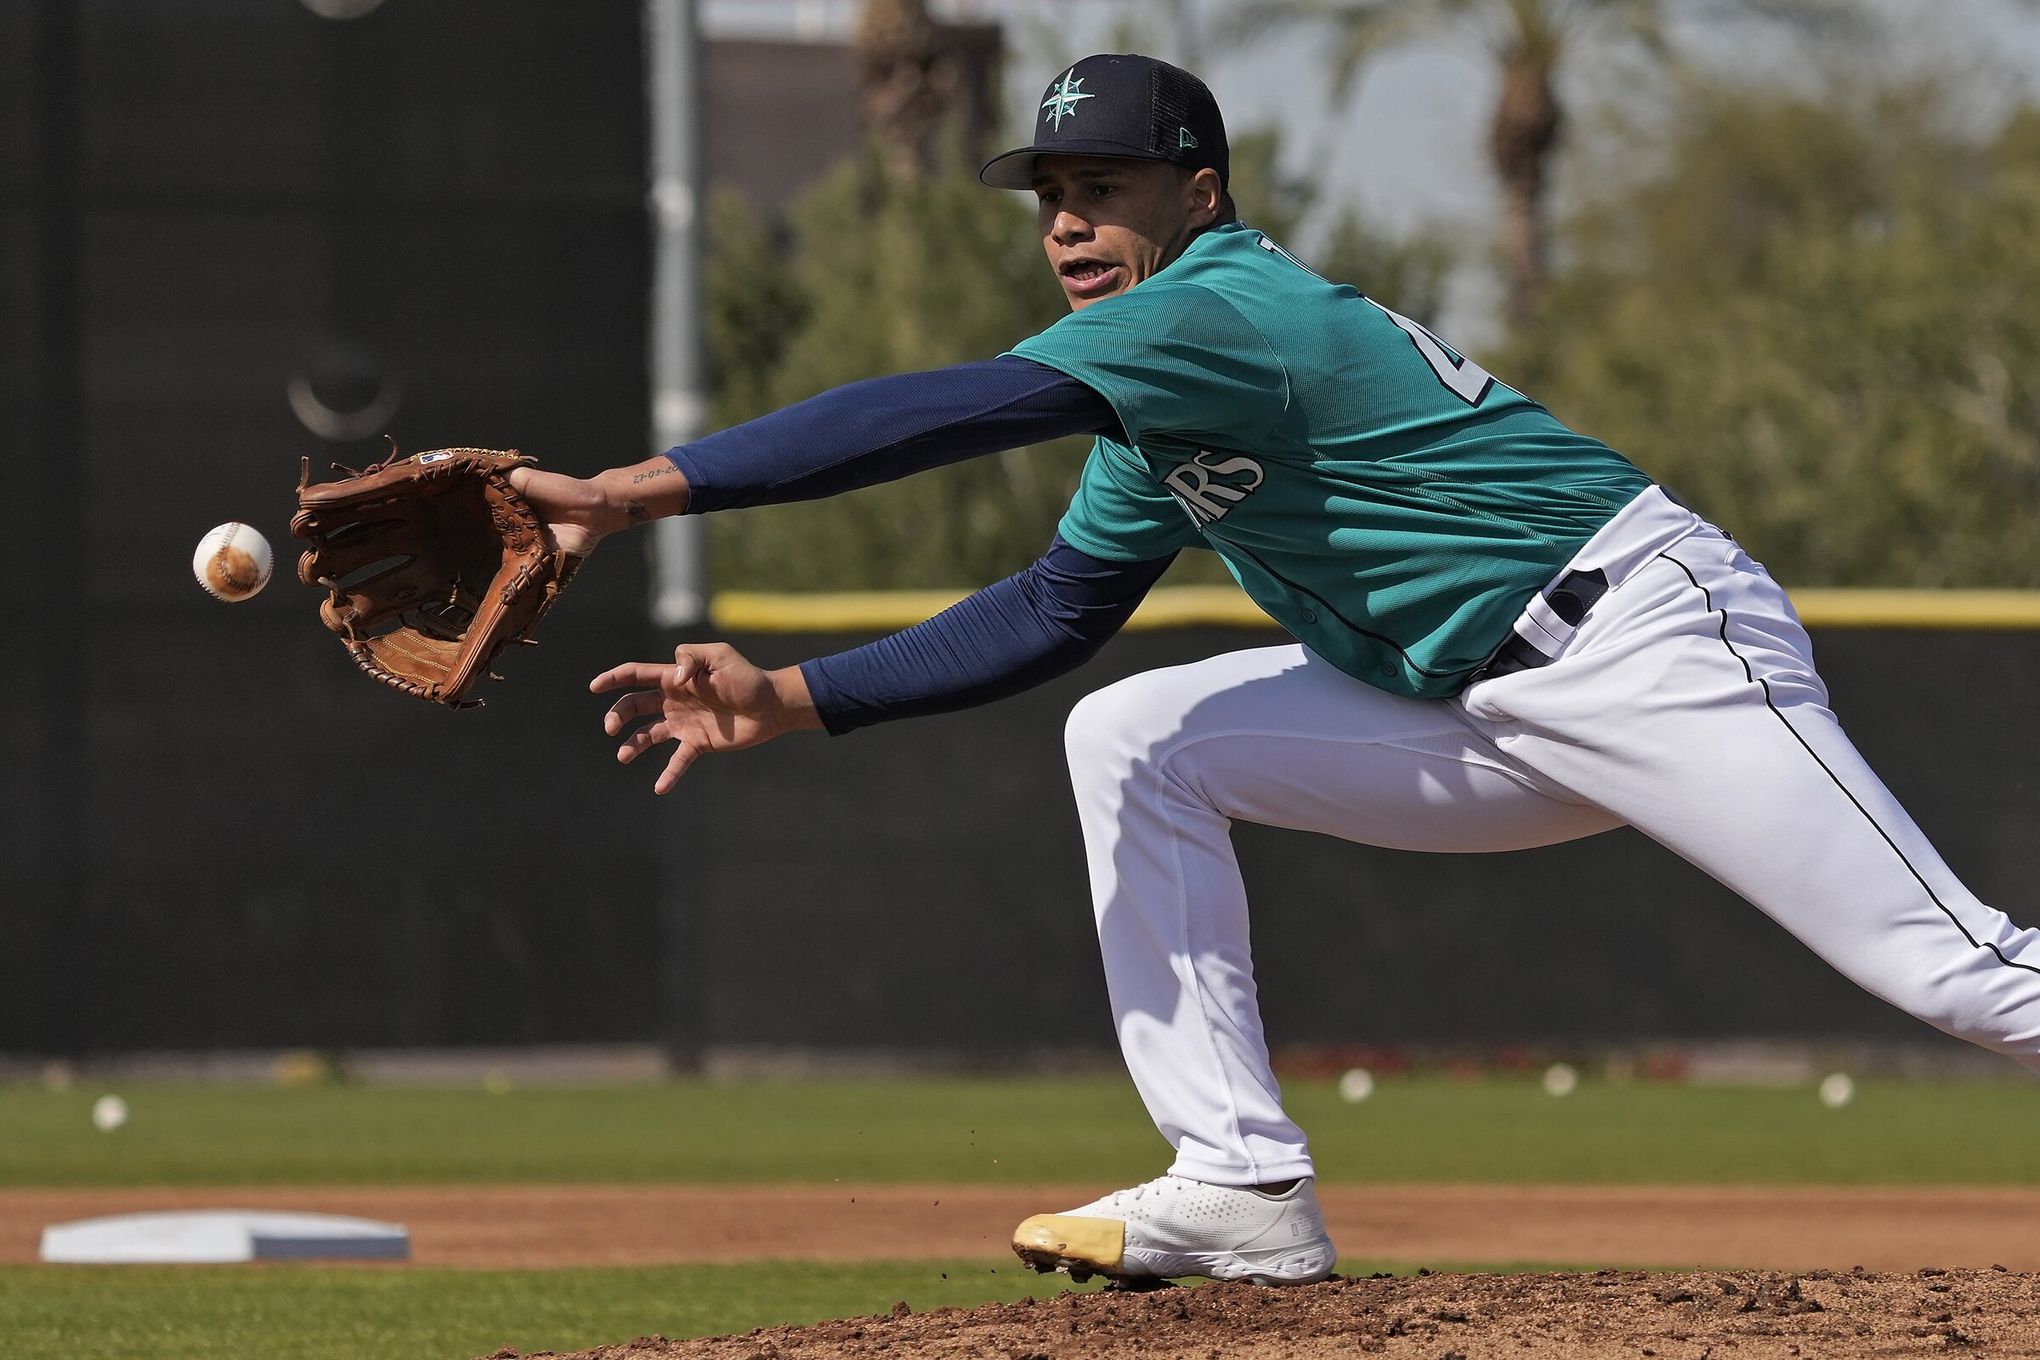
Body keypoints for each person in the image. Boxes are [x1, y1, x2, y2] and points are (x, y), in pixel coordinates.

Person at [513, 53, 2040, 1287]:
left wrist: (631, 490)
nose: (1064, 224)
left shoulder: (1217, 309)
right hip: (1480, 709)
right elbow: (1055, 610)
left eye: (1100, 188)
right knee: (1134, 735)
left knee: (1954, 976)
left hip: (1645, 639)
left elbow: (944, 411)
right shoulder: (1153, 402)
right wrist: (791, 697)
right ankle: (1237, 1182)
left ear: (1199, 193)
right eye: (1048, 194)